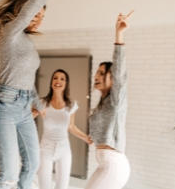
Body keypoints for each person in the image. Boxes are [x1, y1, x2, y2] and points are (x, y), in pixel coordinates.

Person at [0, 0, 53, 189]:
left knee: (32, 165)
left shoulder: (26, 41)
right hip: (4, 107)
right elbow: (28, 11)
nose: (39, 20)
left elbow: (27, 81)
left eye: (42, 16)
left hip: (24, 109)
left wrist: (38, 105)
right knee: (9, 174)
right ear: (22, 11)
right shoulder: (9, 32)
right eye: (36, 14)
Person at [85, 11, 134, 189]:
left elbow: (120, 70)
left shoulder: (116, 100)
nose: (96, 76)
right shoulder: (104, 103)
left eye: (102, 73)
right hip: (106, 164)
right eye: (96, 72)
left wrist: (119, 35)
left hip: (114, 165)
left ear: (112, 78)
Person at [34, 70, 92, 189]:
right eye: (55, 78)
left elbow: (70, 127)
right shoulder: (42, 102)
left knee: (62, 187)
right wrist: (35, 111)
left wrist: (86, 138)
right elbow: (27, 119)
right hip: (45, 150)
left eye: (62, 79)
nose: (58, 81)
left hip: (64, 150)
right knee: (44, 186)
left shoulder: (71, 105)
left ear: (66, 84)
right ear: (51, 83)